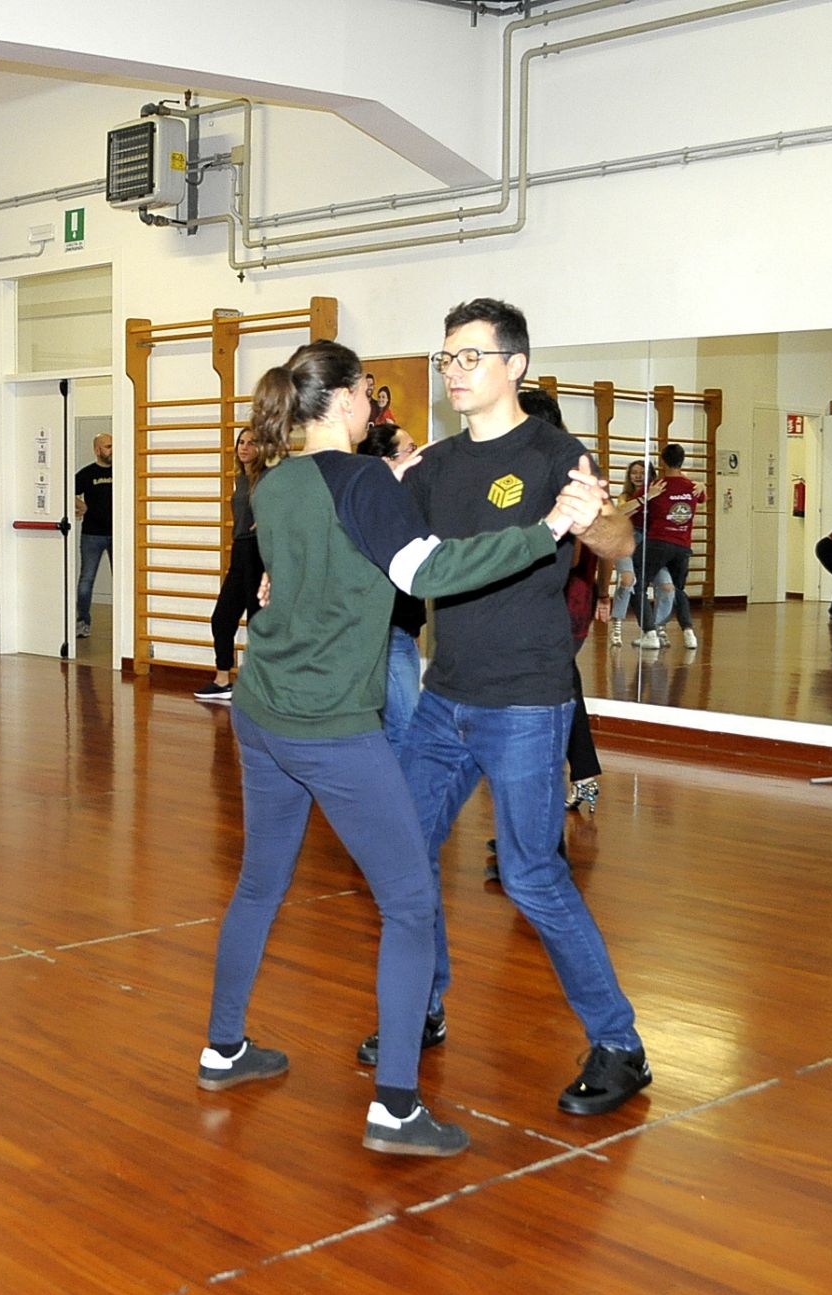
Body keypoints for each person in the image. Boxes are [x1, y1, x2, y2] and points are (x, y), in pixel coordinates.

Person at [196, 339, 609, 1159]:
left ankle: (224, 1048)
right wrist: (551, 528)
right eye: (369, 395)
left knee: (260, 883)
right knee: (412, 905)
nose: (375, 407)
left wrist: (391, 481)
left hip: (262, 711)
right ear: (347, 400)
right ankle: (393, 1108)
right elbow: (428, 573)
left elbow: (313, 555)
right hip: (329, 727)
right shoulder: (359, 484)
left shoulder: (275, 481)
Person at [365, 297, 651, 1117]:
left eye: (470, 357)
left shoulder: (556, 454)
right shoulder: (438, 466)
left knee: (530, 875)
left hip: (525, 700)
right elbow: (399, 557)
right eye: (446, 358)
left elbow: (621, 544)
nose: (453, 372)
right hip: (444, 696)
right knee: (403, 851)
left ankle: (621, 1045)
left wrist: (598, 519)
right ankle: (423, 1003)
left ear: (514, 365)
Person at [357, 422, 427, 734]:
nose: (417, 454)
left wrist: (414, 625)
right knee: (406, 723)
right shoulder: (373, 508)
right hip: (385, 632)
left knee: (397, 723)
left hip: (402, 630)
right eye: (410, 449)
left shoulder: (404, 502)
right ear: (387, 461)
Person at [194, 428, 262, 705]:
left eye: (251, 443)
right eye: (241, 442)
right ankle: (222, 680)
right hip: (240, 550)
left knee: (258, 621)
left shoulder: (268, 477)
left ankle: (259, 686)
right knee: (222, 617)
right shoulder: (241, 478)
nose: (244, 447)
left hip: (259, 551)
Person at [633, 443, 703, 651]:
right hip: (682, 546)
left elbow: (635, 511)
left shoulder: (657, 486)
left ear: (662, 461)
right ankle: (688, 632)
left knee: (638, 584)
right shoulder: (693, 487)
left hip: (658, 542)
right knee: (678, 589)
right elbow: (702, 497)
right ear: (683, 460)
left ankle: (650, 632)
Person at [606, 460, 674, 647]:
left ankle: (657, 628)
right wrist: (645, 498)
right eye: (634, 472)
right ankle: (617, 625)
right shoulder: (626, 496)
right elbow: (620, 511)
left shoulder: (658, 494)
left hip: (650, 543)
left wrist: (699, 486)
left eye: (642, 472)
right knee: (627, 580)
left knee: (667, 587)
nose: (637, 476)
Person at [74, 432, 114, 640]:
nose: (112, 450)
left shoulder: (122, 470)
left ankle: (124, 626)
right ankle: (83, 623)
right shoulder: (87, 474)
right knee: (86, 579)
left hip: (118, 534)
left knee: (123, 580)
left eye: (113, 445)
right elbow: (66, 490)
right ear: (97, 450)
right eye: (108, 446)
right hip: (92, 535)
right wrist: (80, 505)